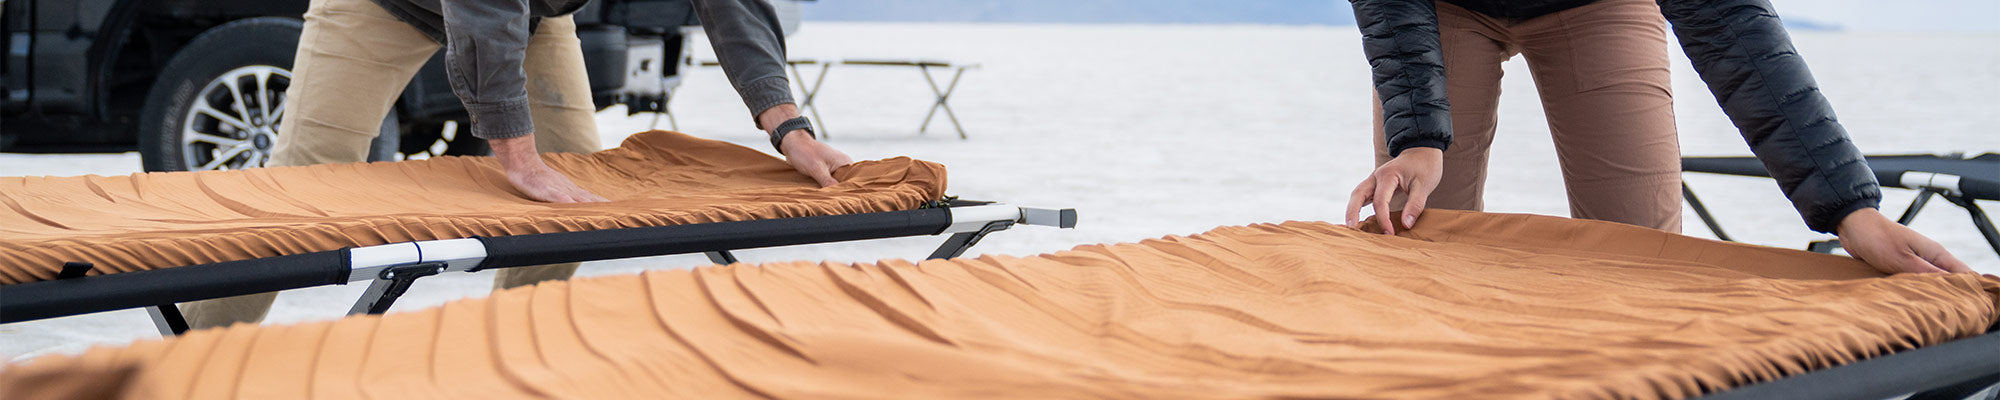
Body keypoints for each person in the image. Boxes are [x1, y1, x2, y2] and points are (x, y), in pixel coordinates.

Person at [180, 0, 851, 329]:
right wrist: (516, 153)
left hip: (527, 12)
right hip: (382, 5)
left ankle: (513, 345)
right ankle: (195, 361)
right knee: (301, 182)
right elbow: (482, 8)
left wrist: (786, 126)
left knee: (578, 177)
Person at [1339, 0, 1972, 274]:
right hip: (1439, 8)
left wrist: (1850, 210)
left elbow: (1730, 29)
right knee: (1419, 231)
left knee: (1643, 253)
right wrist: (1418, 135)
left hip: (1592, 7)